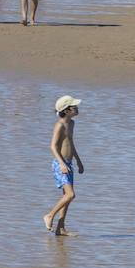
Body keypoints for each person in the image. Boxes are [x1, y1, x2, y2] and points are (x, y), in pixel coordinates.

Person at [44, 95, 85, 237]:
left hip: (69, 163)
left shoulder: (72, 124)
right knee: (70, 195)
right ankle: (49, 215)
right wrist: (61, 163)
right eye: (74, 107)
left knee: (66, 198)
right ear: (67, 110)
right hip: (59, 164)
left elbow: (70, 143)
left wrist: (78, 160)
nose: (77, 108)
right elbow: (53, 147)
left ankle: (60, 228)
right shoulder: (59, 125)